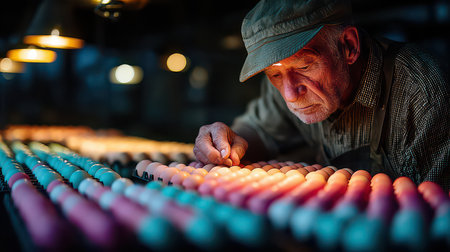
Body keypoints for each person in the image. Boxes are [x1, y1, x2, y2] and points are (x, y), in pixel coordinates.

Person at [193, 0, 450, 189]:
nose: (291, 94)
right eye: (274, 75)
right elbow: (258, 132)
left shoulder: (422, 95)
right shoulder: (288, 83)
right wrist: (227, 140)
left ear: (349, 47)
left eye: (305, 65)